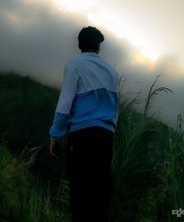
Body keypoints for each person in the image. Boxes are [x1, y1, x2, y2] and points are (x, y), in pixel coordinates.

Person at [49, 26, 119, 222]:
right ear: (99, 47)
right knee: (100, 194)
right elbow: (115, 109)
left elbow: (65, 104)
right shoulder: (112, 72)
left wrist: (55, 135)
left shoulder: (75, 65)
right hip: (106, 137)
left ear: (79, 45)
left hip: (82, 136)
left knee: (79, 193)